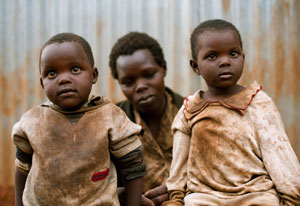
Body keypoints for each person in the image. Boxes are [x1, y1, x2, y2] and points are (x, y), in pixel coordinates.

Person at [163, 19, 300, 206]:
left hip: (255, 196)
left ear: (243, 57)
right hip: (204, 198)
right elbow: (178, 167)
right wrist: (176, 199)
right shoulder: (190, 109)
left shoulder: (258, 103)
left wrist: (292, 200)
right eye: (212, 56)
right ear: (195, 66)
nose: (225, 61)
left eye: (233, 54)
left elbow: (280, 158)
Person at [12, 32, 145, 206]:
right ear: (42, 82)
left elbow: (133, 167)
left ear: (94, 75)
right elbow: (22, 167)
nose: (64, 79)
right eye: (52, 73)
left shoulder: (110, 117)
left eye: (75, 69)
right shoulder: (32, 122)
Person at [109, 32, 184, 206]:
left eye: (149, 74)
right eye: (128, 81)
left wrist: (184, 188)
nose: (141, 86)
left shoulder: (194, 113)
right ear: (119, 82)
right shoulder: (110, 123)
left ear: (163, 68)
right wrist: (122, 194)